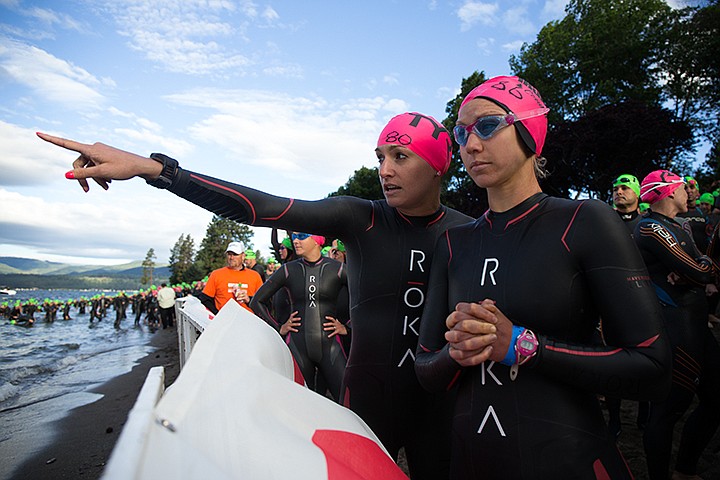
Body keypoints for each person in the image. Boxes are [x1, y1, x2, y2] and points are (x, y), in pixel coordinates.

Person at [38, 110, 472, 479]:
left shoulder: (469, 231)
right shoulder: (361, 217)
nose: (384, 170)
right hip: (368, 395)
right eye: (380, 157)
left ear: (437, 166)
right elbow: (262, 206)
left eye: (401, 157)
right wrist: (157, 170)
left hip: (438, 404)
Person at [414, 75, 671, 478]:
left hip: (565, 460)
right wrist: (456, 353)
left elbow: (653, 369)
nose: (471, 145)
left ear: (529, 131)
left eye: (487, 126)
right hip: (470, 461)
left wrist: (521, 345)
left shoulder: (584, 221)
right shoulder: (452, 242)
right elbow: (426, 369)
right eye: (461, 134)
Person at [635, 170, 720, 480]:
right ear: (669, 192)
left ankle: (684, 470)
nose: (689, 193)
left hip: (697, 325)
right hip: (676, 327)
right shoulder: (650, 228)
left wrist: (693, 269)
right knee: (670, 409)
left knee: (716, 399)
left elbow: (705, 265)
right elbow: (700, 272)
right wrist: (694, 270)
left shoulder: (677, 226)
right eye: (684, 188)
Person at [250, 232, 349, 401]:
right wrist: (279, 327)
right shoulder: (288, 270)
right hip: (297, 347)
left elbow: (366, 299)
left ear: (317, 240)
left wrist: (347, 327)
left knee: (348, 404)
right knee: (297, 406)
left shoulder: (338, 269)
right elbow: (256, 301)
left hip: (330, 346)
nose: (295, 241)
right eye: (294, 237)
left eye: (301, 236)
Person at [196, 241, 263, 315]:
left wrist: (248, 299)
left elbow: (263, 302)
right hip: (223, 322)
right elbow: (205, 299)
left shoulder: (255, 276)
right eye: (229, 254)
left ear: (243, 256)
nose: (231, 257)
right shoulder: (216, 274)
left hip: (248, 321)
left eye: (235, 254)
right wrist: (218, 314)